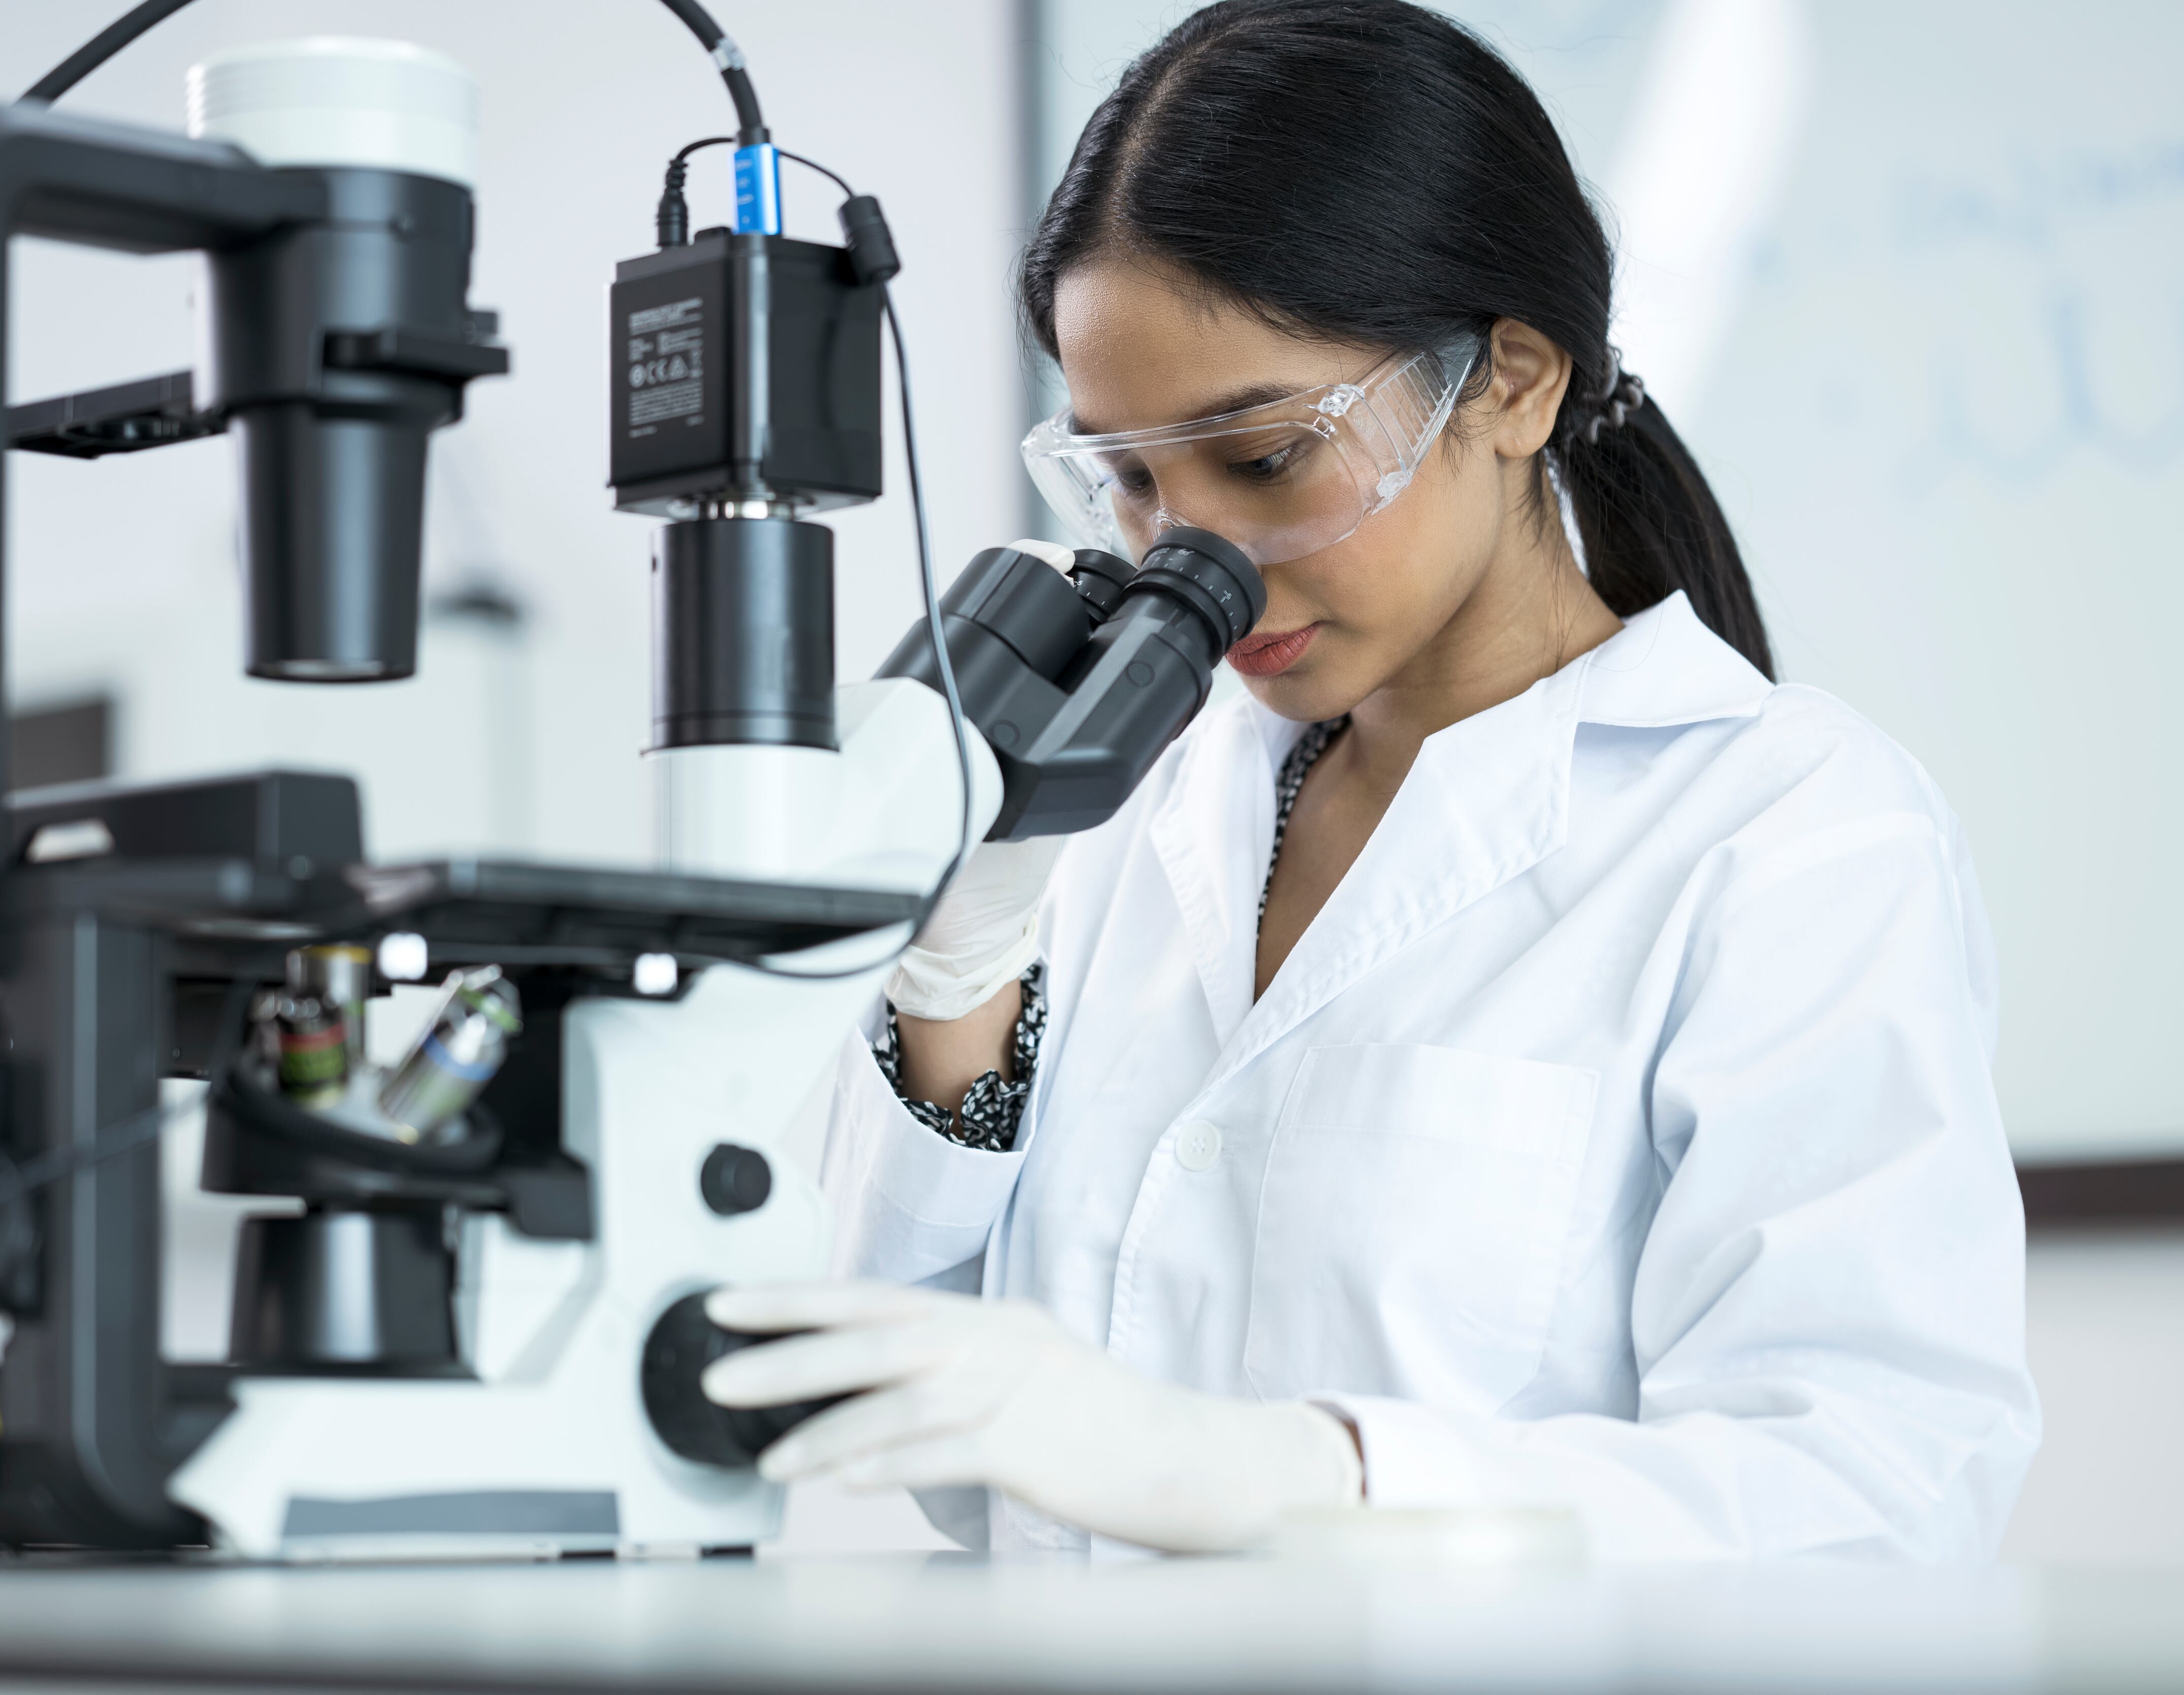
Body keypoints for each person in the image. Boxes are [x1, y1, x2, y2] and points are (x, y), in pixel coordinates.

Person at [701, 0, 2040, 1560]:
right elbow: (916, 1426)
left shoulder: (1788, 837)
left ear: (1512, 382)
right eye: (1127, 478)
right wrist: (957, 980)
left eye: (1265, 458)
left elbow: (1875, 1491)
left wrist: (1315, 1477)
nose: (1191, 558)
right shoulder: (1133, 809)